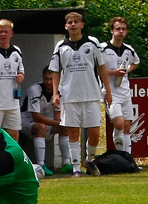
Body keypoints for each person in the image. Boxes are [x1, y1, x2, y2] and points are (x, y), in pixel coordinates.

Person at [48, 11, 112, 177]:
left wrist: (108, 91)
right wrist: (55, 93)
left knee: (95, 133)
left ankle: (89, 159)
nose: (73, 24)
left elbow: (102, 67)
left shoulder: (93, 43)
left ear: (82, 24)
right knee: (73, 132)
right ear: (66, 26)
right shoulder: (60, 46)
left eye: (76, 21)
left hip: (91, 93)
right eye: (70, 22)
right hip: (69, 95)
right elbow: (55, 70)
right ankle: (76, 167)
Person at [21, 68, 72, 176]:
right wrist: (56, 124)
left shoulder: (59, 91)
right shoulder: (34, 90)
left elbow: (58, 116)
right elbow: (36, 117)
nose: (48, 82)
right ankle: (41, 165)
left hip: (47, 121)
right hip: (26, 120)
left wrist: (59, 124)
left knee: (65, 127)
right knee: (41, 127)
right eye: (46, 79)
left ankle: (66, 164)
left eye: (51, 79)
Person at [101, 16, 140, 154]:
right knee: (119, 123)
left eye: (123, 29)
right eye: (118, 29)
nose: (121, 31)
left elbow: (136, 62)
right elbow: (97, 68)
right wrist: (114, 73)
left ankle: (128, 158)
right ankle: (120, 155)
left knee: (127, 125)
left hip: (125, 91)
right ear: (112, 30)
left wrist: (126, 71)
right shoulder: (102, 48)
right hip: (110, 91)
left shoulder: (129, 49)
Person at [0, 18, 25, 140]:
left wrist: (21, 77)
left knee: (14, 134)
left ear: (11, 34)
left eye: (6, 31)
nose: (3, 34)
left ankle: (12, 158)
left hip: (13, 102)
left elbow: (21, 72)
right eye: (0, 32)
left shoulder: (17, 51)